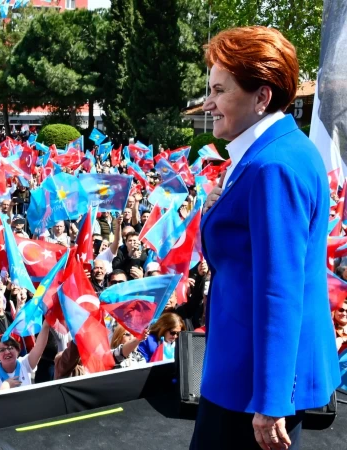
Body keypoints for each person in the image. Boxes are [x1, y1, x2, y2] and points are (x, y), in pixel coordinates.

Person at [191, 26, 339, 450]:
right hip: (247, 371)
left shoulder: (272, 167)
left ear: (261, 97)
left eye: (220, 90)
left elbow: (280, 290)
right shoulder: (278, 151)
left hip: (250, 382)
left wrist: (272, 400)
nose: (209, 103)